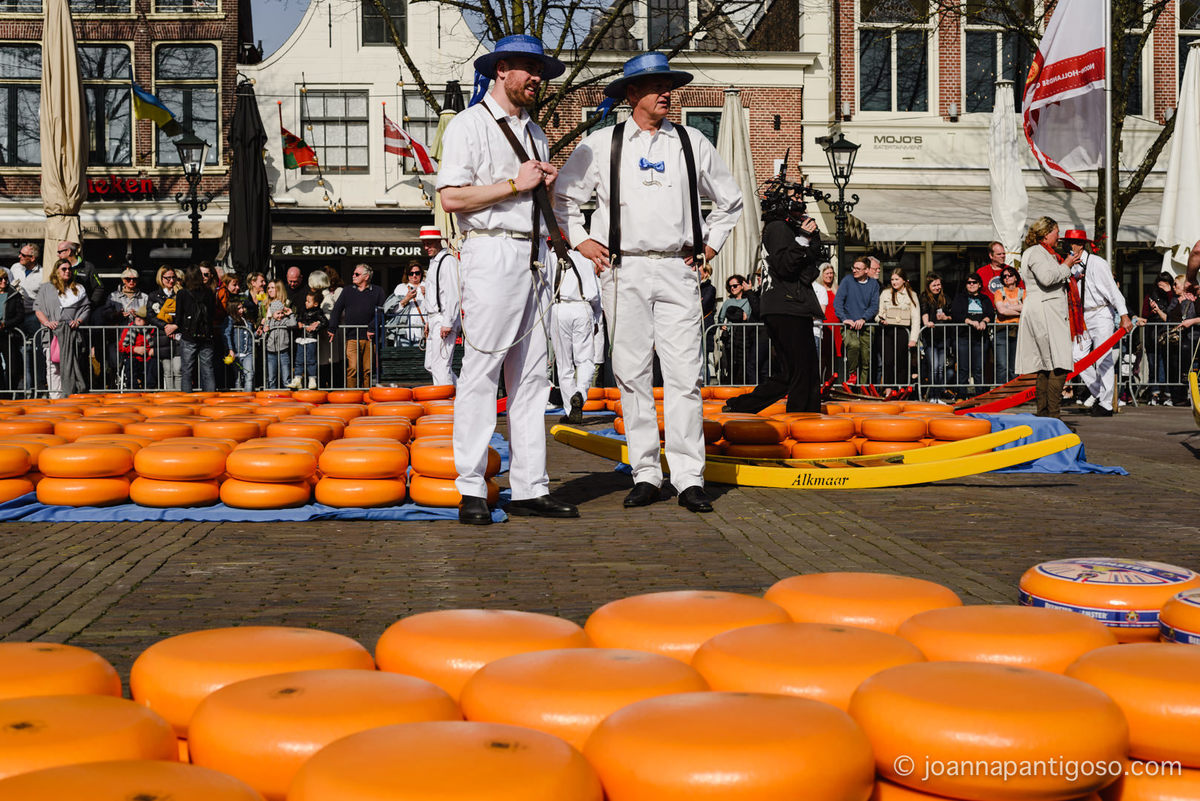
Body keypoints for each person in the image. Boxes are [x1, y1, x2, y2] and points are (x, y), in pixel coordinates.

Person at [556, 50, 744, 514]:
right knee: (632, 373)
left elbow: (731, 199)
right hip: (623, 270)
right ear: (632, 93)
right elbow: (562, 198)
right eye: (657, 86)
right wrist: (581, 241)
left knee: (684, 375)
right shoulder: (601, 144)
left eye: (670, 86)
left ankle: (688, 477)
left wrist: (711, 245)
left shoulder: (692, 141)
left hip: (678, 268)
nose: (667, 94)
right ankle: (644, 472)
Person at [439, 34, 580, 524]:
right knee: (481, 372)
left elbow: (529, 193)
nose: (538, 78)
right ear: (501, 69)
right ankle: (471, 488)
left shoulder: (536, 132)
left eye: (540, 71)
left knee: (533, 376)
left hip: (534, 254)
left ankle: (529, 486)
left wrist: (545, 186)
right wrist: (513, 185)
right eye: (529, 68)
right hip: (492, 250)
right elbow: (452, 199)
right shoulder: (468, 125)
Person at [722, 199, 825, 414]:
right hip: (787, 306)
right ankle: (801, 417)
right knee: (802, 371)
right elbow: (785, 266)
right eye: (797, 207)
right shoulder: (778, 228)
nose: (801, 211)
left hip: (786, 306)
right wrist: (803, 239)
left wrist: (809, 239)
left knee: (789, 373)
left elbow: (803, 264)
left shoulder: (781, 229)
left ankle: (741, 405)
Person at [1060, 228, 1134, 417]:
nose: (1068, 246)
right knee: (1076, 355)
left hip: (1101, 313)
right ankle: (1101, 394)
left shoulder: (1097, 263)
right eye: (1066, 243)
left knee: (1103, 358)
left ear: (1081, 245)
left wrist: (1124, 315)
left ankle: (1106, 404)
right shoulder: (1070, 265)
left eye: (1072, 243)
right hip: (1081, 316)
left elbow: (1113, 290)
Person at [1016, 216, 1080, 419]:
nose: (1059, 236)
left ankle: (1045, 416)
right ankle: (1052, 416)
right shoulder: (1037, 253)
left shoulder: (1040, 253)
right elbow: (1047, 278)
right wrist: (1067, 265)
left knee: (1046, 366)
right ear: (1046, 233)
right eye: (1056, 232)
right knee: (1059, 363)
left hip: (1044, 308)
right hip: (1045, 310)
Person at [548, 244, 602, 423]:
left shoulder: (549, 259)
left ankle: (570, 409)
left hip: (559, 307)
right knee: (585, 360)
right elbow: (596, 293)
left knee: (564, 365)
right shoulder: (584, 258)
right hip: (583, 306)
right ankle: (580, 393)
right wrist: (596, 318)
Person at [35, 259, 91, 398]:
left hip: (71, 334)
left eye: (69, 269)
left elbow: (86, 308)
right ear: (56, 271)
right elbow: (38, 309)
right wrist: (47, 323)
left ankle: (70, 395)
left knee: (72, 365)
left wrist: (79, 320)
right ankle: (55, 397)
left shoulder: (78, 288)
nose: (67, 271)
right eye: (64, 269)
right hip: (52, 334)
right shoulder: (46, 288)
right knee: (53, 367)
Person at [328, 263, 384, 388]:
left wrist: (372, 327)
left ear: (366, 276)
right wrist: (332, 328)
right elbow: (337, 309)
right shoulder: (347, 290)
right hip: (352, 336)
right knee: (352, 368)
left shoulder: (378, 291)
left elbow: (380, 312)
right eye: (353, 273)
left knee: (368, 370)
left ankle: (366, 395)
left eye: (357, 274)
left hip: (370, 338)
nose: (353, 276)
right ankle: (352, 397)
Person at [419, 227, 461, 386]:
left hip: (443, 316)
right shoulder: (435, 262)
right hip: (435, 317)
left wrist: (447, 321)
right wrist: (428, 321)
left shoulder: (447, 261)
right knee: (431, 364)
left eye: (429, 243)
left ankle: (446, 405)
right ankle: (462, 393)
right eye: (424, 244)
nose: (426, 247)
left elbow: (453, 293)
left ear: (439, 241)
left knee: (440, 366)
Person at [833, 257, 880, 384]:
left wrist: (864, 318)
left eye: (858, 269)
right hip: (849, 325)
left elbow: (874, 305)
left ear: (866, 270)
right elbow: (837, 303)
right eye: (853, 268)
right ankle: (852, 373)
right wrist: (844, 319)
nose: (854, 271)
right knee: (853, 345)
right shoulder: (847, 281)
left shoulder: (874, 284)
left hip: (866, 325)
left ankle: (863, 389)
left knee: (866, 358)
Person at [174, 265, 218, 392]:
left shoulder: (182, 293)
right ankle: (210, 399)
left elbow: (178, 317)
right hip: (206, 335)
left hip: (189, 336)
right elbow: (212, 313)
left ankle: (187, 400)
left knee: (187, 370)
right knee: (208, 369)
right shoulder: (209, 292)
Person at [875, 269, 920, 387]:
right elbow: (879, 313)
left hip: (903, 332)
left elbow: (916, 318)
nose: (894, 282)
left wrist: (913, 339)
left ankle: (902, 390)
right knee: (888, 362)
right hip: (887, 331)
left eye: (897, 279)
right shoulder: (885, 293)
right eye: (892, 279)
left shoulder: (912, 295)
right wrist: (881, 319)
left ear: (904, 280)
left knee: (902, 363)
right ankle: (888, 391)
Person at [9, 243, 44, 392]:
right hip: (15, 315)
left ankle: (36, 386)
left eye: (23, 255)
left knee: (34, 352)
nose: (19, 257)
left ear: (33, 258)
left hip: (32, 316)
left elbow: (43, 298)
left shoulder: (43, 273)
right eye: (20, 253)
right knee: (14, 352)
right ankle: (16, 386)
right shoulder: (15, 268)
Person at [1141, 271, 1177, 405]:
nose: (1162, 286)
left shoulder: (1173, 295)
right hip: (1152, 334)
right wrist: (1152, 310)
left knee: (1166, 365)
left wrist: (1169, 292)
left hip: (1168, 334)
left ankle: (1167, 393)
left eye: (1166, 283)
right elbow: (1144, 314)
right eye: (1161, 283)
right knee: (1153, 364)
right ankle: (1154, 393)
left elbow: (1173, 309)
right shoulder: (1150, 296)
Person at [1164, 278, 1200, 406]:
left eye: (1176, 284)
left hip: (1191, 336)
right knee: (1173, 364)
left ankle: (1183, 391)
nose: (1173, 287)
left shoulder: (1194, 299)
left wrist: (1190, 322)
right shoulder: (1175, 300)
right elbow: (1170, 316)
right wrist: (1179, 303)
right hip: (1177, 338)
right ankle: (1177, 396)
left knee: (1184, 358)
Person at [919, 273, 954, 397]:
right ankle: (933, 395)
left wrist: (946, 317)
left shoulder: (945, 297)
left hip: (944, 337)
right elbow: (924, 312)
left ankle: (938, 395)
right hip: (930, 337)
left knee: (940, 368)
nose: (937, 287)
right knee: (933, 367)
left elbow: (952, 315)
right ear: (929, 286)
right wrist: (926, 322)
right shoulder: (924, 297)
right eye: (934, 285)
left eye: (939, 284)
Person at [147, 265, 182, 390]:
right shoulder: (154, 295)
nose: (171, 281)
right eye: (168, 278)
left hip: (178, 336)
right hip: (162, 337)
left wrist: (175, 327)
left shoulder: (180, 293)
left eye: (173, 278)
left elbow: (185, 314)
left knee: (178, 370)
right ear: (161, 279)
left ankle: (179, 397)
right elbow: (150, 315)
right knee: (167, 371)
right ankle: (170, 398)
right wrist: (166, 326)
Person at [717, 274, 754, 384]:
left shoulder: (749, 301)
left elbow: (752, 316)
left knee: (745, 363)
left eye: (735, 285)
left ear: (742, 286)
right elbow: (720, 318)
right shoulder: (728, 302)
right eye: (730, 286)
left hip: (745, 337)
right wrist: (721, 325)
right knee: (731, 363)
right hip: (731, 338)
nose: (732, 288)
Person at [56, 241, 106, 323]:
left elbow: (99, 287)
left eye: (60, 252)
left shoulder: (88, 266)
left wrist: (90, 305)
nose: (58, 255)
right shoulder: (58, 266)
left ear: (69, 251)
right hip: (65, 312)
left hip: (83, 313)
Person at [992, 265, 1024, 384]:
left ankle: (1014, 394)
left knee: (1014, 366)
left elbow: (1026, 308)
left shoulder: (1022, 292)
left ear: (1016, 278)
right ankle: (1001, 394)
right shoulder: (999, 292)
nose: (1007, 278)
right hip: (1001, 330)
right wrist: (1018, 310)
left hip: (1018, 330)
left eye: (1010, 275)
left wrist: (1008, 307)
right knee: (1002, 365)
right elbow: (1001, 311)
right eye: (1004, 276)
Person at [261, 280, 295, 389]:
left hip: (283, 349)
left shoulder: (285, 315)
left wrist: (290, 314)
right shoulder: (266, 308)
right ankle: (272, 395)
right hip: (271, 350)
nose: (269, 290)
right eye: (268, 288)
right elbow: (264, 328)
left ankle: (288, 397)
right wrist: (265, 320)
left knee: (286, 375)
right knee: (271, 376)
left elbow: (293, 323)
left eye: (272, 288)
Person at [291, 290, 328, 389]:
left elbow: (325, 322)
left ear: (315, 304)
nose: (305, 302)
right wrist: (298, 322)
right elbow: (299, 317)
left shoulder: (318, 312)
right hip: (301, 338)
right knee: (299, 360)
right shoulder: (303, 310)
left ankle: (312, 379)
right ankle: (298, 378)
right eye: (306, 300)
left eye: (308, 301)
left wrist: (317, 325)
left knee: (310, 360)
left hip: (311, 339)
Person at [385, 261, 426, 347]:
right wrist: (406, 299)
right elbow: (393, 311)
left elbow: (434, 308)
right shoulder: (401, 288)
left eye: (417, 273)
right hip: (404, 331)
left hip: (423, 331)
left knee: (420, 359)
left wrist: (427, 295)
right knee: (403, 359)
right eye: (411, 273)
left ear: (421, 274)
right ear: (407, 275)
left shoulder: (428, 286)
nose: (414, 276)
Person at [812, 262, 840, 379]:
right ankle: (819, 383)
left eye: (831, 273)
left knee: (833, 357)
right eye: (827, 273)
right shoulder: (818, 289)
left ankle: (830, 382)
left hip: (835, 327)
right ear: (821, 275)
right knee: (821, 356)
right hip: (823, 326)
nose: (830, 276)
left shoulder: (837, 289)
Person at [118, 305, 156, 390]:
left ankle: (150, 389)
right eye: (137, 316)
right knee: (130, 362)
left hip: (147, 358)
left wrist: (151, 350)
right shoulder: (129, 328)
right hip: (133, 357)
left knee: (154, 362)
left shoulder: (152, 329)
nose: (138, 319)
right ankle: (133, 390)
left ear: (147, 320)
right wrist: (134, 349)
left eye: (142, 318)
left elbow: (156, 345)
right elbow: (121, 347)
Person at [0, 271, 24, 392]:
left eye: (5, 278)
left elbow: (20, 316)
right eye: (0, 279)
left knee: (12, 367)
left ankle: (10, 392)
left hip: (8, 334)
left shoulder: (14, 294)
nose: (4, 281)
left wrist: (5, 324)